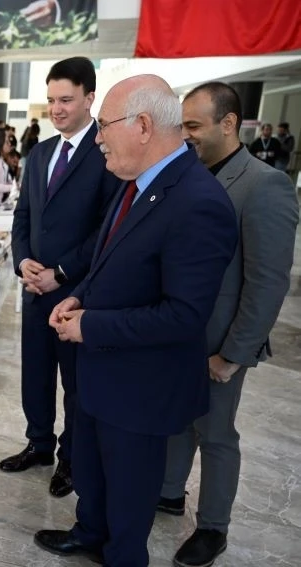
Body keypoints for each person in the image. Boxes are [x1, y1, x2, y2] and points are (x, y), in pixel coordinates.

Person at [34, 74, 238, 567]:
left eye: (104, 125)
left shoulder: (199, 202)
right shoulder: (135, 185)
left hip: (141, 389)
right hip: (103, 376)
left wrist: (90, 327)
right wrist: (77, 296)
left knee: (128, 499)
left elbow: (184, 316)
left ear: (143, 125)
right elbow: (109, 262)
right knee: (93, 474)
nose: (98, 136)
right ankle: (89, 533)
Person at [159, 82, 299, 567]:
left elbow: (267, 281)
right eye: (182, 126)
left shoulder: (264, 185)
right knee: (178, 422)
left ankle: (213, 527)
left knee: (216, 435)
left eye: (193, 126)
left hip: (221, 341)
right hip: (180, 336)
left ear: (229, 123)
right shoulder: (188, 175)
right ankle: (170, 492)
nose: (185, 135)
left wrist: (234, 354)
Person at [3, 56, 118, 498]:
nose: (56, 108)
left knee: (74, 382)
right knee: (35, 374)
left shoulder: (105, 152)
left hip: (75, 293)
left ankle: (71, 458)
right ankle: (38, 443)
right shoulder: (41, 153)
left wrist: (61, 273)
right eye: (50, 100)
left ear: (90, 98)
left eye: (66, 99)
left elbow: (106, 230)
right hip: (35, 290)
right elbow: (24, 217)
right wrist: (23, 262)